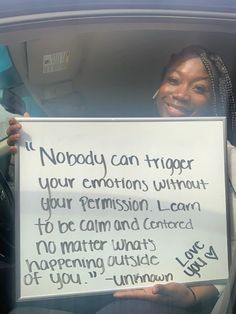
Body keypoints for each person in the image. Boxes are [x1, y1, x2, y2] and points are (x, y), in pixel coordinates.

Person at [6, 45, 236, 314]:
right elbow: (71, 196)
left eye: (199, 88)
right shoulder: (121, 145)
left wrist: (192, 295)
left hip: (164, 297)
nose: (180, 94)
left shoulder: (228, 160)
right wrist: (34, 149)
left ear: (216, 100)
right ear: (159, 87)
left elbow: (231, 247)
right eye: (172, 80)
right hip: (93, 278)